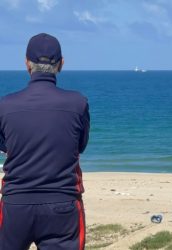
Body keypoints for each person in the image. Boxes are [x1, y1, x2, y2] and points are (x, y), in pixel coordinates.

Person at [0, 33, 90, 250]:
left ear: (26, 64)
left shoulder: (5, 105)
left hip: (15, 205)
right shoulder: (78, 103)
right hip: (62, 204)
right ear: (61, 64)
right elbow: (80, 146)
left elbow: (5, 146)